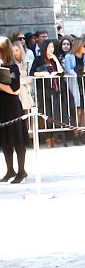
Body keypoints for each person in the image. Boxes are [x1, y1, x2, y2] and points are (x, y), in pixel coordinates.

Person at [0, 35, 28, 183]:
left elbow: (14, 89)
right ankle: (10, 170)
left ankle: (22, 170)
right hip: (2, 107)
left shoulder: (12, 67)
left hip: (12, 107)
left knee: (17, 139)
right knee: (5, 140)